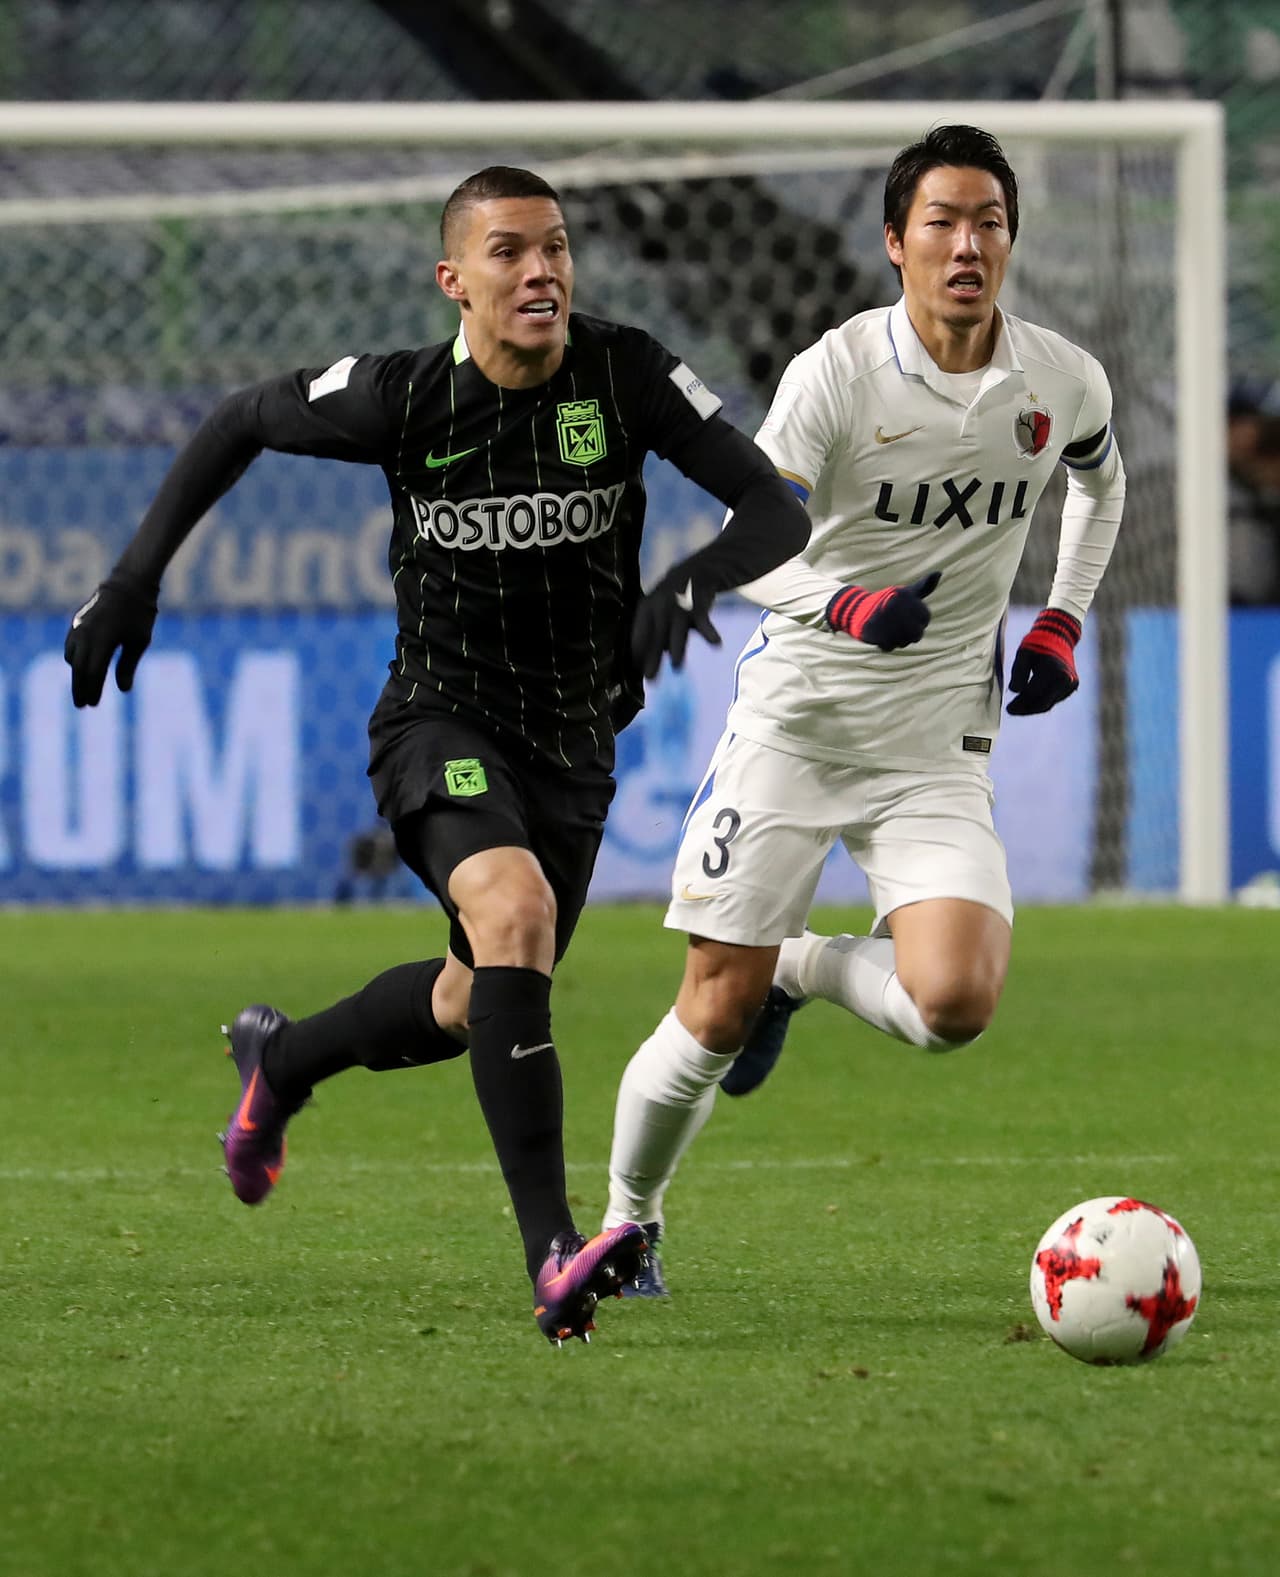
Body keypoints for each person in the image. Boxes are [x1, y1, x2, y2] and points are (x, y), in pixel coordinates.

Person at [62, 165, 811, 1345]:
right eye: (509, 251)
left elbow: (774, 508)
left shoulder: (623, 374)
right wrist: (132, 578)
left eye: (556, 247)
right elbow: (240, 419)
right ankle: (553, 1253)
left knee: (473, 993)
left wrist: (689, 579)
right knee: (511, 915)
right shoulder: (399, 398)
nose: (542, 271)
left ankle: (285, 1058)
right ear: (453, 281)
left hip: (572, 743)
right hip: (437, 719)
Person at [602, 125, 1126, 1295]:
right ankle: (628, 1220)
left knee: (952, 1002)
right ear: (895, 243)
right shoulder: (837, 373)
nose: (965, 243)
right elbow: (754, 541)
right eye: (939, 221)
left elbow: (1100, 477)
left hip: (934, 745)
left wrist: (1060, 618)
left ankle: (801, 966)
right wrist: (844, 607)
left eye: (987, 220)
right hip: (799, 726)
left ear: (1007, 240)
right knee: (710, 1009)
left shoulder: (1059, 378)